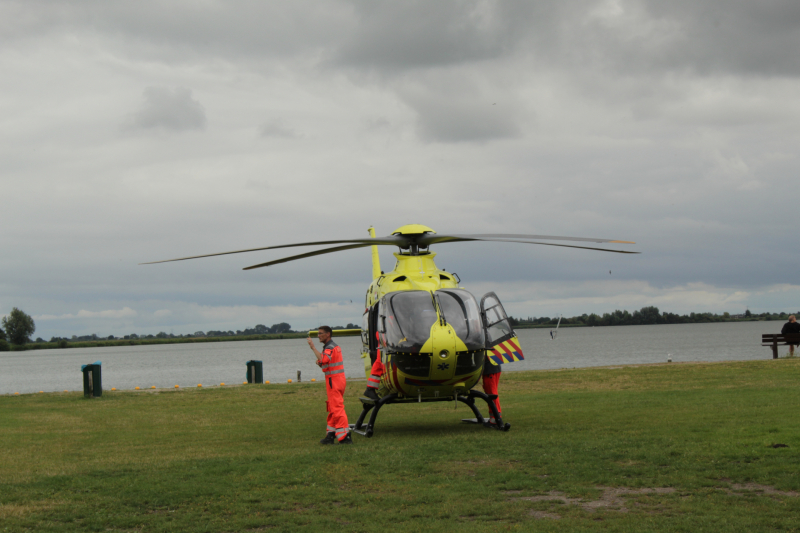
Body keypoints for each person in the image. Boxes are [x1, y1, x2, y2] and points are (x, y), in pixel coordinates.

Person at [307, 326, 352, 444]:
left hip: (334, 381)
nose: (318, 336)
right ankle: (330, 435)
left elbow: (324, 360)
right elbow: (325, 362)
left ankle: (345, 437)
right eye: (318, 333)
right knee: (333, 406)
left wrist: (313, 348)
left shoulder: (330, 347)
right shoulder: (332, 346)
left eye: (321, 333)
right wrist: (320, 361)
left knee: (337, 408)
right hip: (337, 380)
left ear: (328, 334)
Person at [482, 356, 502, 425]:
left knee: (492, 394)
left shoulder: (486, 345)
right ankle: (494, 417)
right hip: (492, 370)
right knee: (490, 394)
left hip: (490, 371)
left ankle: (495, 418)